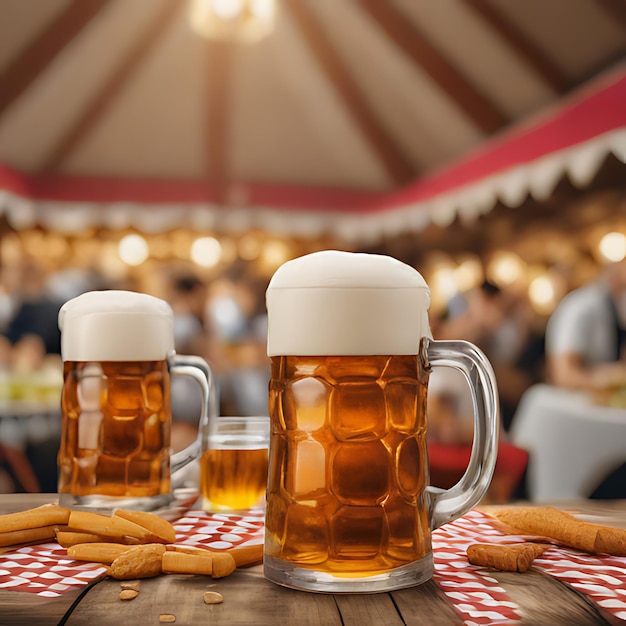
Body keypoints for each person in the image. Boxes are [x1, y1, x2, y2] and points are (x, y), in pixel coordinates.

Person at [545, 259, 626, 391]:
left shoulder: (614, 311)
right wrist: (614, 377)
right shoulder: (583, 307)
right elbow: (564, 376)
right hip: (572, 405)